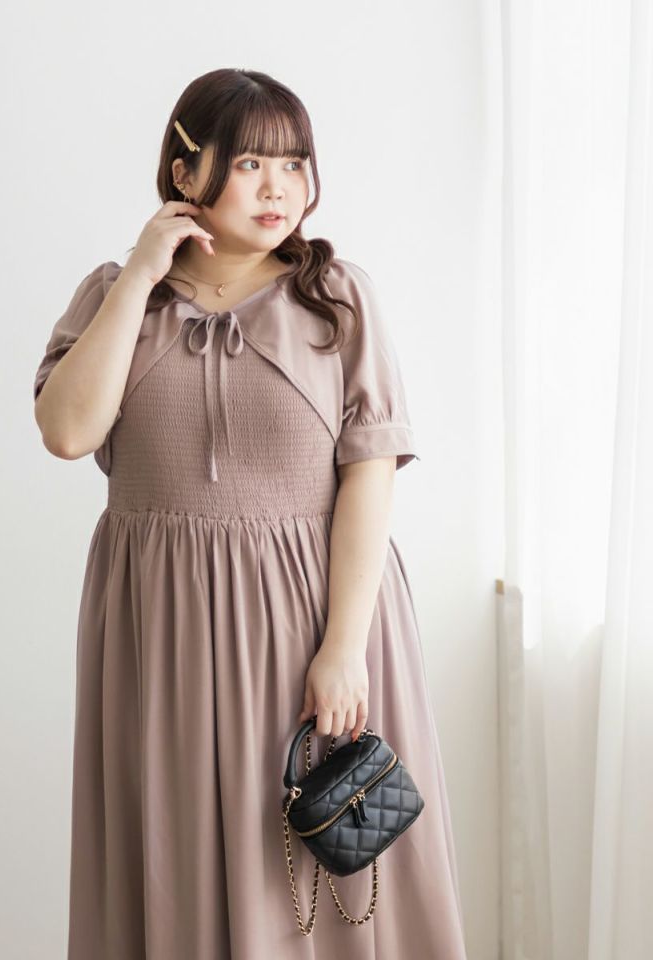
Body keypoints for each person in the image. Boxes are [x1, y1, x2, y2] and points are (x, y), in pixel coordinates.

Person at [33, 67, 468, 960]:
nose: (279, 189)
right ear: (185, 171)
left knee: (312, 875)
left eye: (295, 164)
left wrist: (343, 648)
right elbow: (68, 432)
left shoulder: (336, 296)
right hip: (162, 633)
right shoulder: (118, 296)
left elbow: (370, 475)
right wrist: (142, 271)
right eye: (251, 164)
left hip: (314, 622)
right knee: (180, 860)